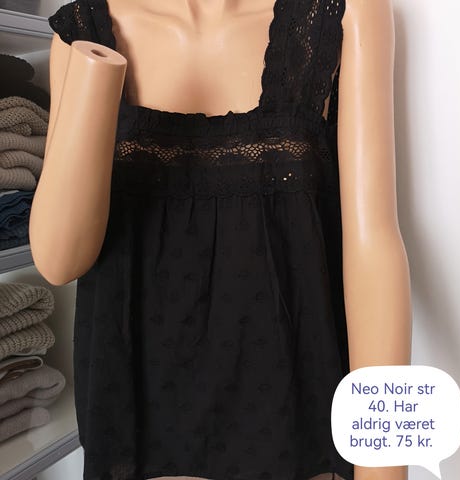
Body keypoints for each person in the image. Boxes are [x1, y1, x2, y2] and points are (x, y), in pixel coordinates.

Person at [30, 0, 412, 479]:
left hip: (298, 437)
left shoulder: (345, 13)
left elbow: (375, 248)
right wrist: (94, 74)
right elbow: (58, 261)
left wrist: (383, 467)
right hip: (136, 434)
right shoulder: (82, 32)